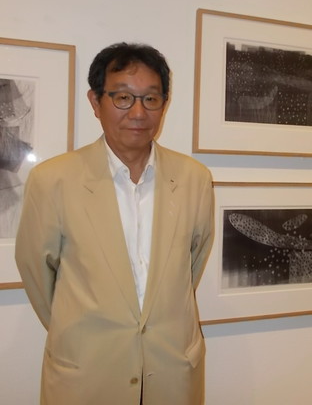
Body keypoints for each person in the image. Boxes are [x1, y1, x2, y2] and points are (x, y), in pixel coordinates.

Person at [15, 42, 215, 405]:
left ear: (164, 103)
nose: (138, 112)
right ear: (96, 102)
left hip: (172, 371)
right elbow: (36, 271)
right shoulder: (53, 180)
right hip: (87, 374)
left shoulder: (194, 179)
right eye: (123, 97)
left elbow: (191, 266)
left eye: (151, 99)